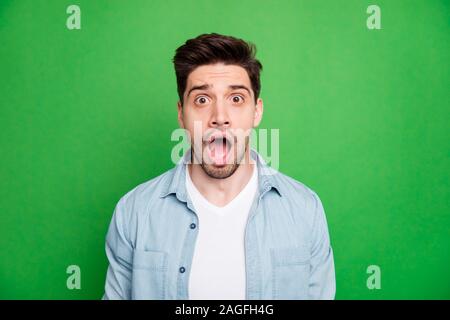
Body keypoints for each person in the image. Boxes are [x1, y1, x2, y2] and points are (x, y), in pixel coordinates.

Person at [102, 33, 335, 300]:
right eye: (202, 100)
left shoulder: (306, 210)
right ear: (181, 113)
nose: (220, 118)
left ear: (256, 111)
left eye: (236, 98)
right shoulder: (134, 212)